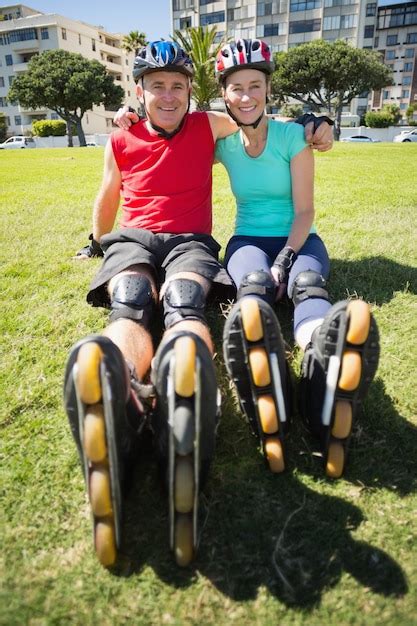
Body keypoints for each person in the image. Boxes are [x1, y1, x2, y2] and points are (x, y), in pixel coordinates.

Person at [64, 40, 334, 570]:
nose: (168, 96)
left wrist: (313, 121)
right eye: (157, 86)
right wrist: (96, 241)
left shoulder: (208, 126)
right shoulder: (119, 136)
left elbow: (254, 111)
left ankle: (183, 381)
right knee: (132, 296)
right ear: (139, 91)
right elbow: (108, 192)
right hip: (134, 238)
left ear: (191, 91)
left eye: (178, 86)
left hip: (190, 239)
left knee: (185, 300)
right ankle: (115, 382)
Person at [214, 39, 380, 479]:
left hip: (299, 237)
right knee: (252, 285)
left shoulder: (291, 135)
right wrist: (130, 118)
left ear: (268, 90)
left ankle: (321, 364)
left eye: (255, 85)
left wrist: (287, 256)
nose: (246, 96)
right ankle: (263, 369)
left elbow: (304, 210)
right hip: (247, 237)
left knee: (307, 283)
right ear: (224, 95)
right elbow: (168, 129)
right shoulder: (221, 140)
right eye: (236, 88)